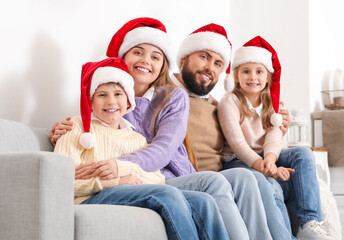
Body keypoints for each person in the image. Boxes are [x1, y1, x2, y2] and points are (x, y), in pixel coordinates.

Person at [50, 17, 273, 240]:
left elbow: (164, 149)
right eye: (138, 52)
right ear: (123, 56)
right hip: (148, 180)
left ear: (163, 65)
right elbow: (91, 132)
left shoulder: (172, 97)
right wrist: (63, 129)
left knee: (244, 178)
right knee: (212, 183)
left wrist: (122, 166)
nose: (146, 61)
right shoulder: (110, 103)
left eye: (155, 57)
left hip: (167, 174)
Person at [54, 57, 229, 240]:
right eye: (102, 95)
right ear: (91, 100)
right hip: (90, 197)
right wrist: (115, 182)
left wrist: (130, 176)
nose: (111, 102)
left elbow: (157, 177)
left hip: (126, 193)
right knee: (167, 194)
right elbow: (59, 182)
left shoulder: (135, 137)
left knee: (203, 201)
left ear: (128, 101)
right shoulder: (76, 128)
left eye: (118, 94)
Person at [171, 24, 295, 240]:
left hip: (222, 174)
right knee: (252, 177)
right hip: (194, 177)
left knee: (278, 176)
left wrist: (278, 126)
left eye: (218, 63)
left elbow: (243, 134)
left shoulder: (215, 104)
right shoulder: (166, 94)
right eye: (203, 57)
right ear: (183, 59)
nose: (210, 67)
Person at [217, 36, 334, 240]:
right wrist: (264, 166)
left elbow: (274, 137)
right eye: (246, 71)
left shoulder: (274, 103)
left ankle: (310, 223)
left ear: (268, 78)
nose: (253, 77)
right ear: (236, 77)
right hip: (238, 161)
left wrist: (270, 160)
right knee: (271, 186)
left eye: (259, 71)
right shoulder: (230, 102)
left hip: (265, 157)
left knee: (303, 154)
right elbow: (237, 143)